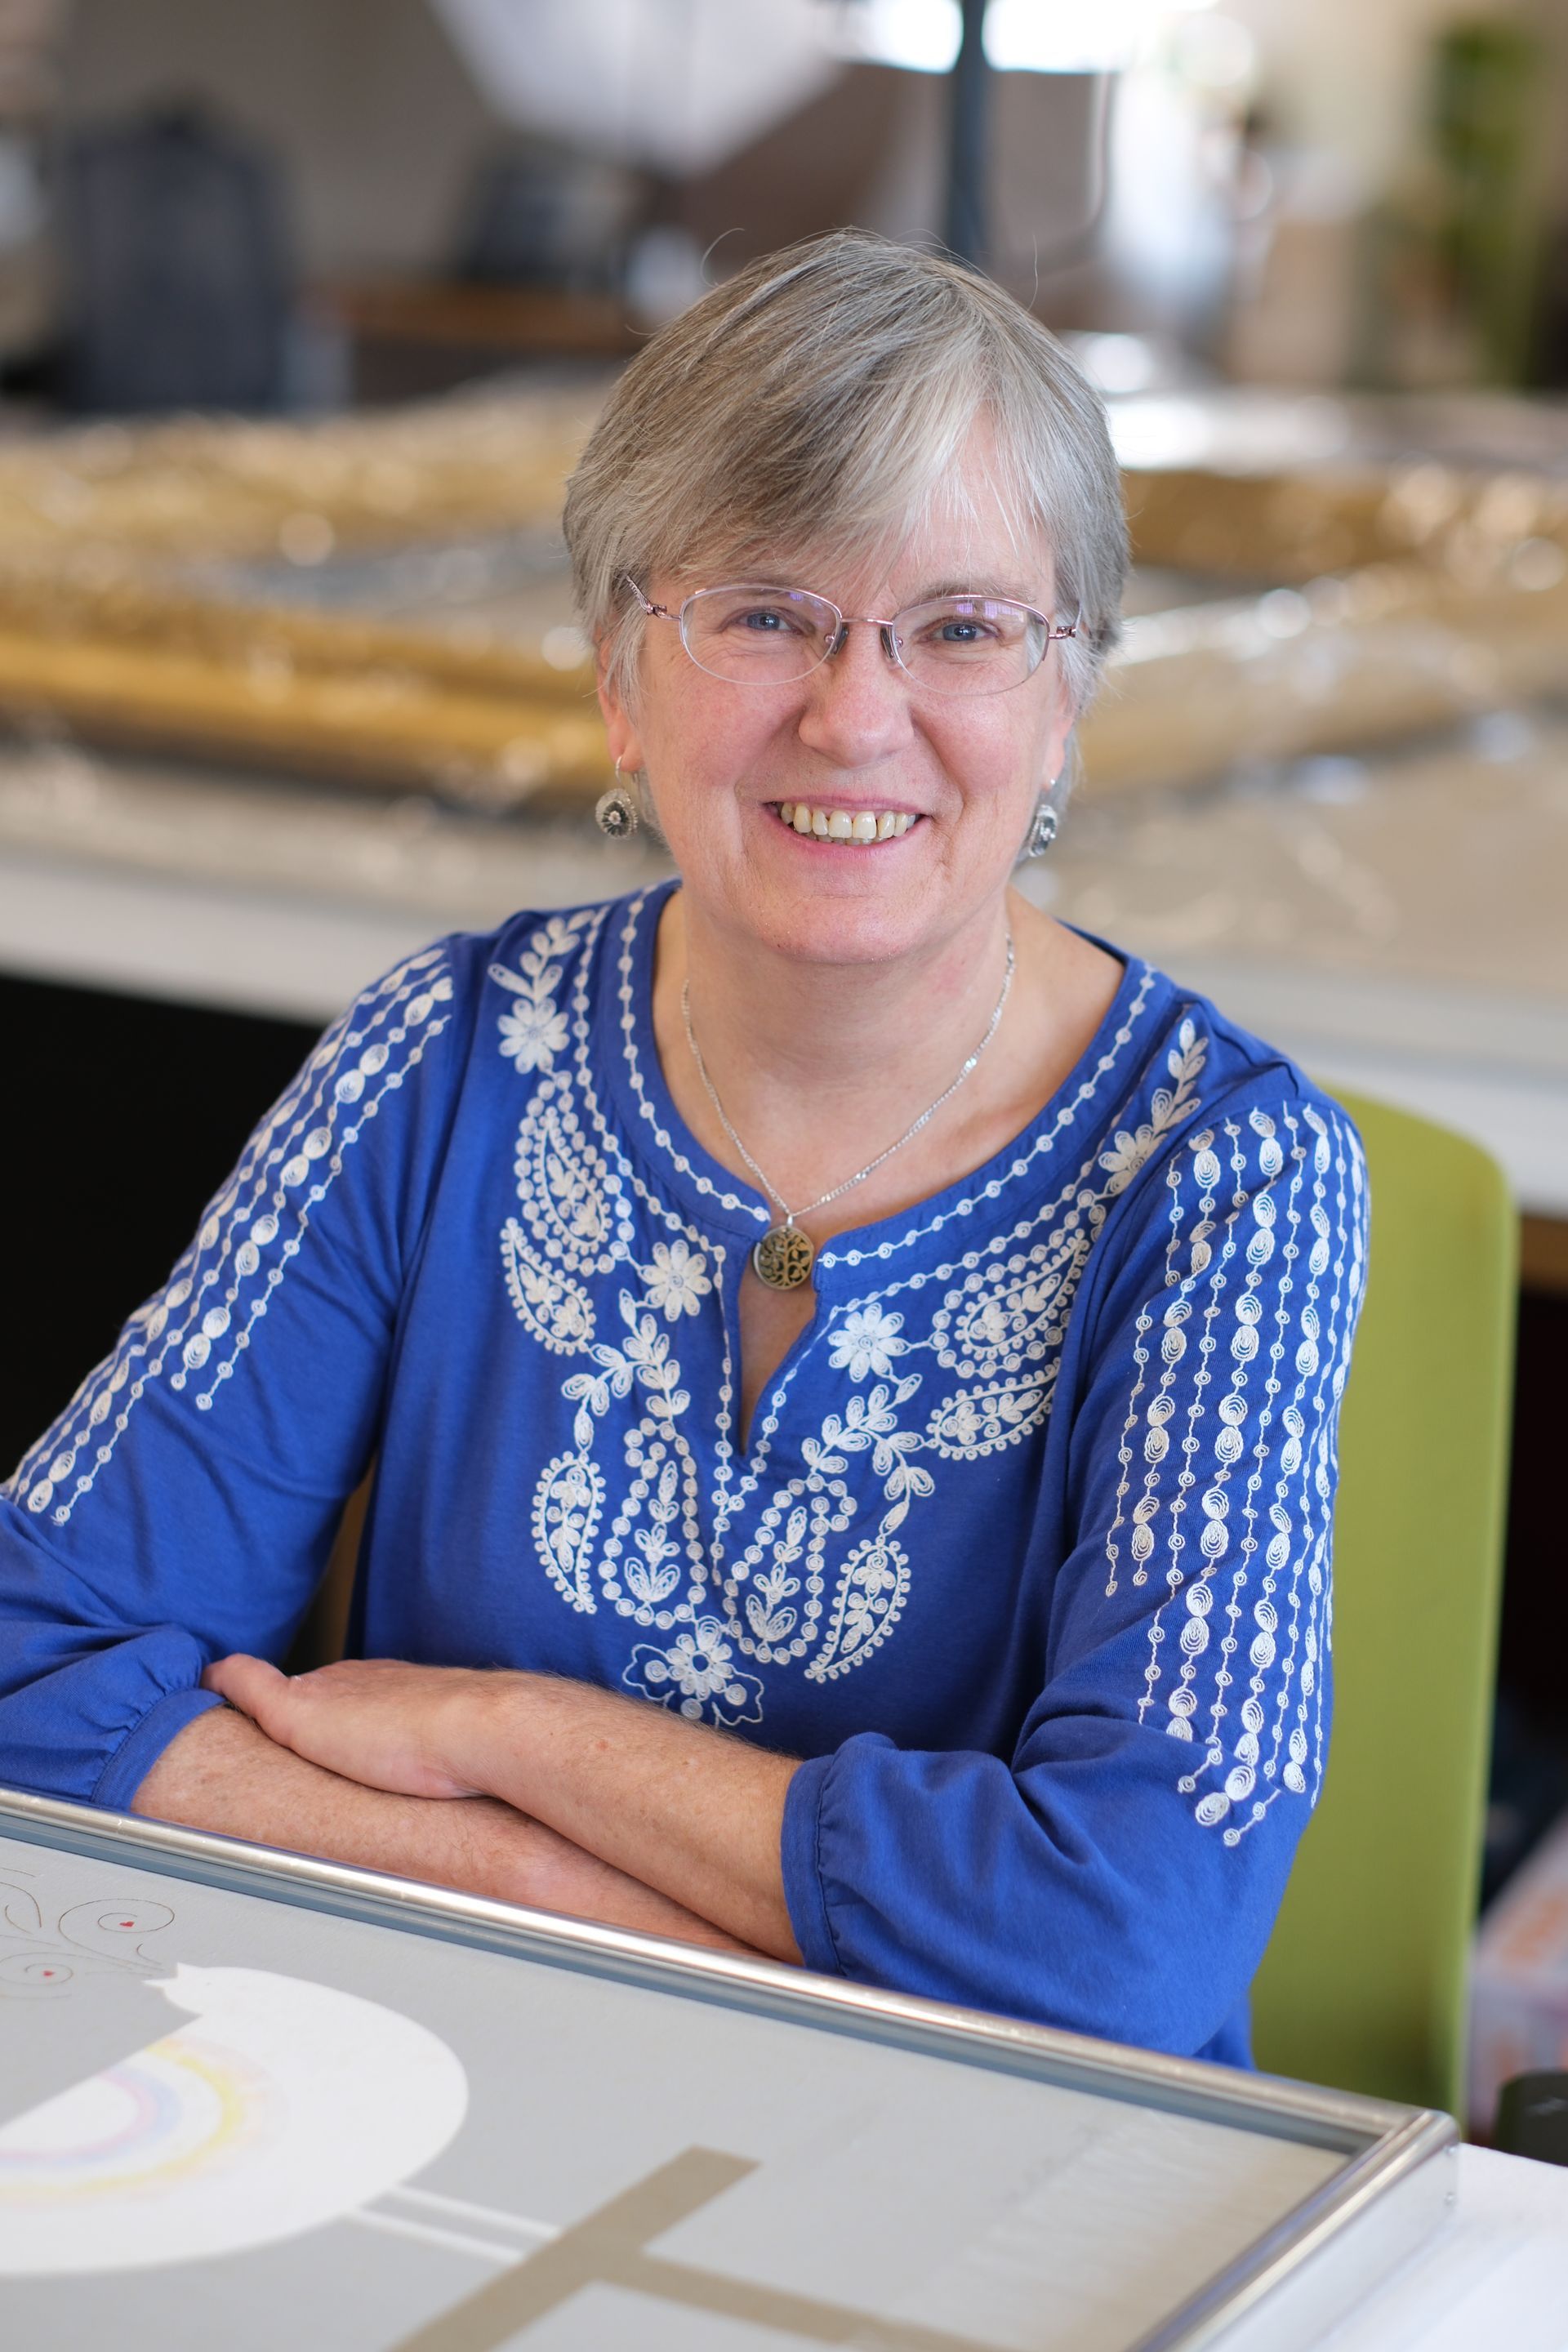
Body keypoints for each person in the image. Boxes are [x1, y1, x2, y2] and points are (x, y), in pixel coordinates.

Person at [0, 232, 1366, 2065]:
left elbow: (1133, 1935)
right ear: (618, 680)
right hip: (424, 2082)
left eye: (961, 625)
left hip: (995, 2195)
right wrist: (554, 1895)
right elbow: (29, 1653)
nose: (855, 711)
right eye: (765, 612)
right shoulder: (450, 1052)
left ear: (1069, 704)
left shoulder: (1231, 1177)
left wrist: (509, 1740)